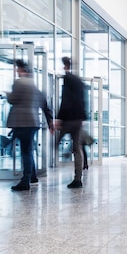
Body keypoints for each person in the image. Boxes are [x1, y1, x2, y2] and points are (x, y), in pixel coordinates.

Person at [8, 60, 53, 191]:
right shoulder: (36, 88)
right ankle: (32, 176)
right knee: (29, 150)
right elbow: (46, 107)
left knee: (26, 151)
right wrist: (50, 122)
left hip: (22, 123)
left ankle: (25, 180)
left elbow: (12, 99)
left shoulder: (19, 83)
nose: (17, 71)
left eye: (18, 69)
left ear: (23, 70)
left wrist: (7, 95)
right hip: (33, 123)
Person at [55, 57, 87, 189]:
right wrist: (84, 116)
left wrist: (59, 118)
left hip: (69, 119)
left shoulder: (67, 79)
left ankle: (66, 153)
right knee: (77, 147)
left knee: (56, 142)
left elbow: (66, 100)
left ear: (65, 66)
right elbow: (83, 100)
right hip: (78, 119)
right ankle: (78, 178)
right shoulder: (79, 81)